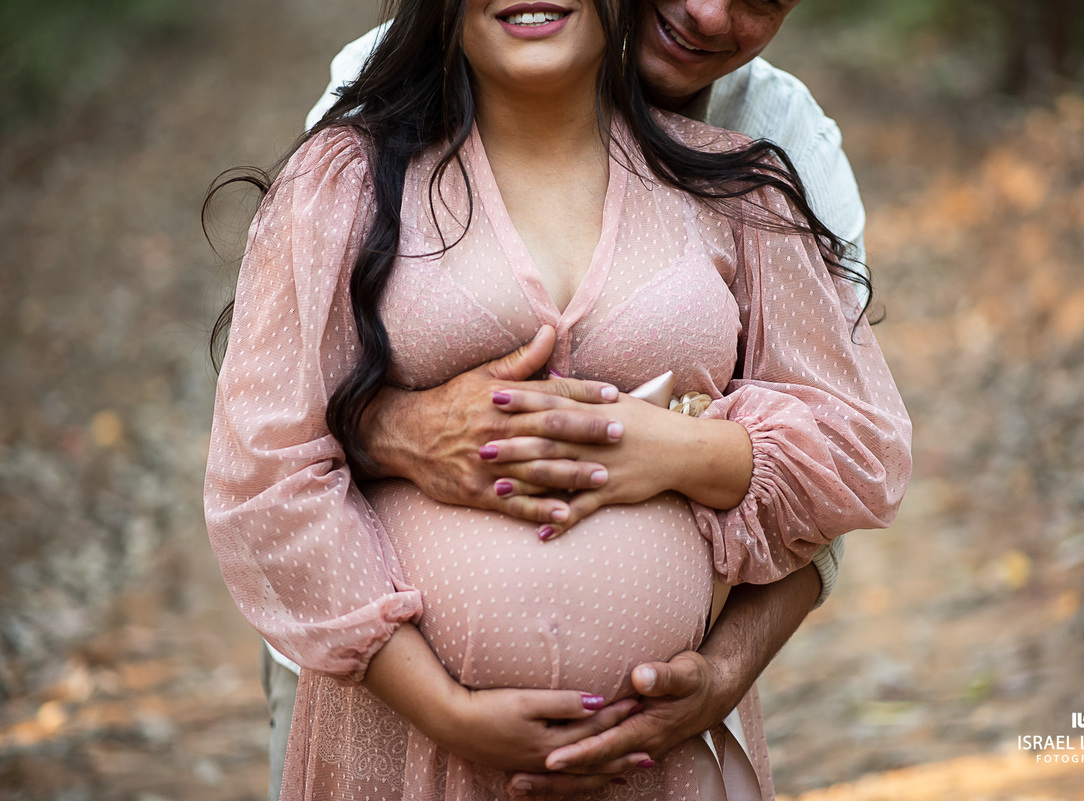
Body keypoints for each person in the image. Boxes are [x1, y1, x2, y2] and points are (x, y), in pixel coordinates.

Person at [205, 0, 911, 798]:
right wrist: (444, 707)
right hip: (388, 716)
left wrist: (719, 671)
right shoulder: (361, 147)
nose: (711, 11)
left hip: (656, 747)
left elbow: (850, 455)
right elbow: (274, 440)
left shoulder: (765, 160)